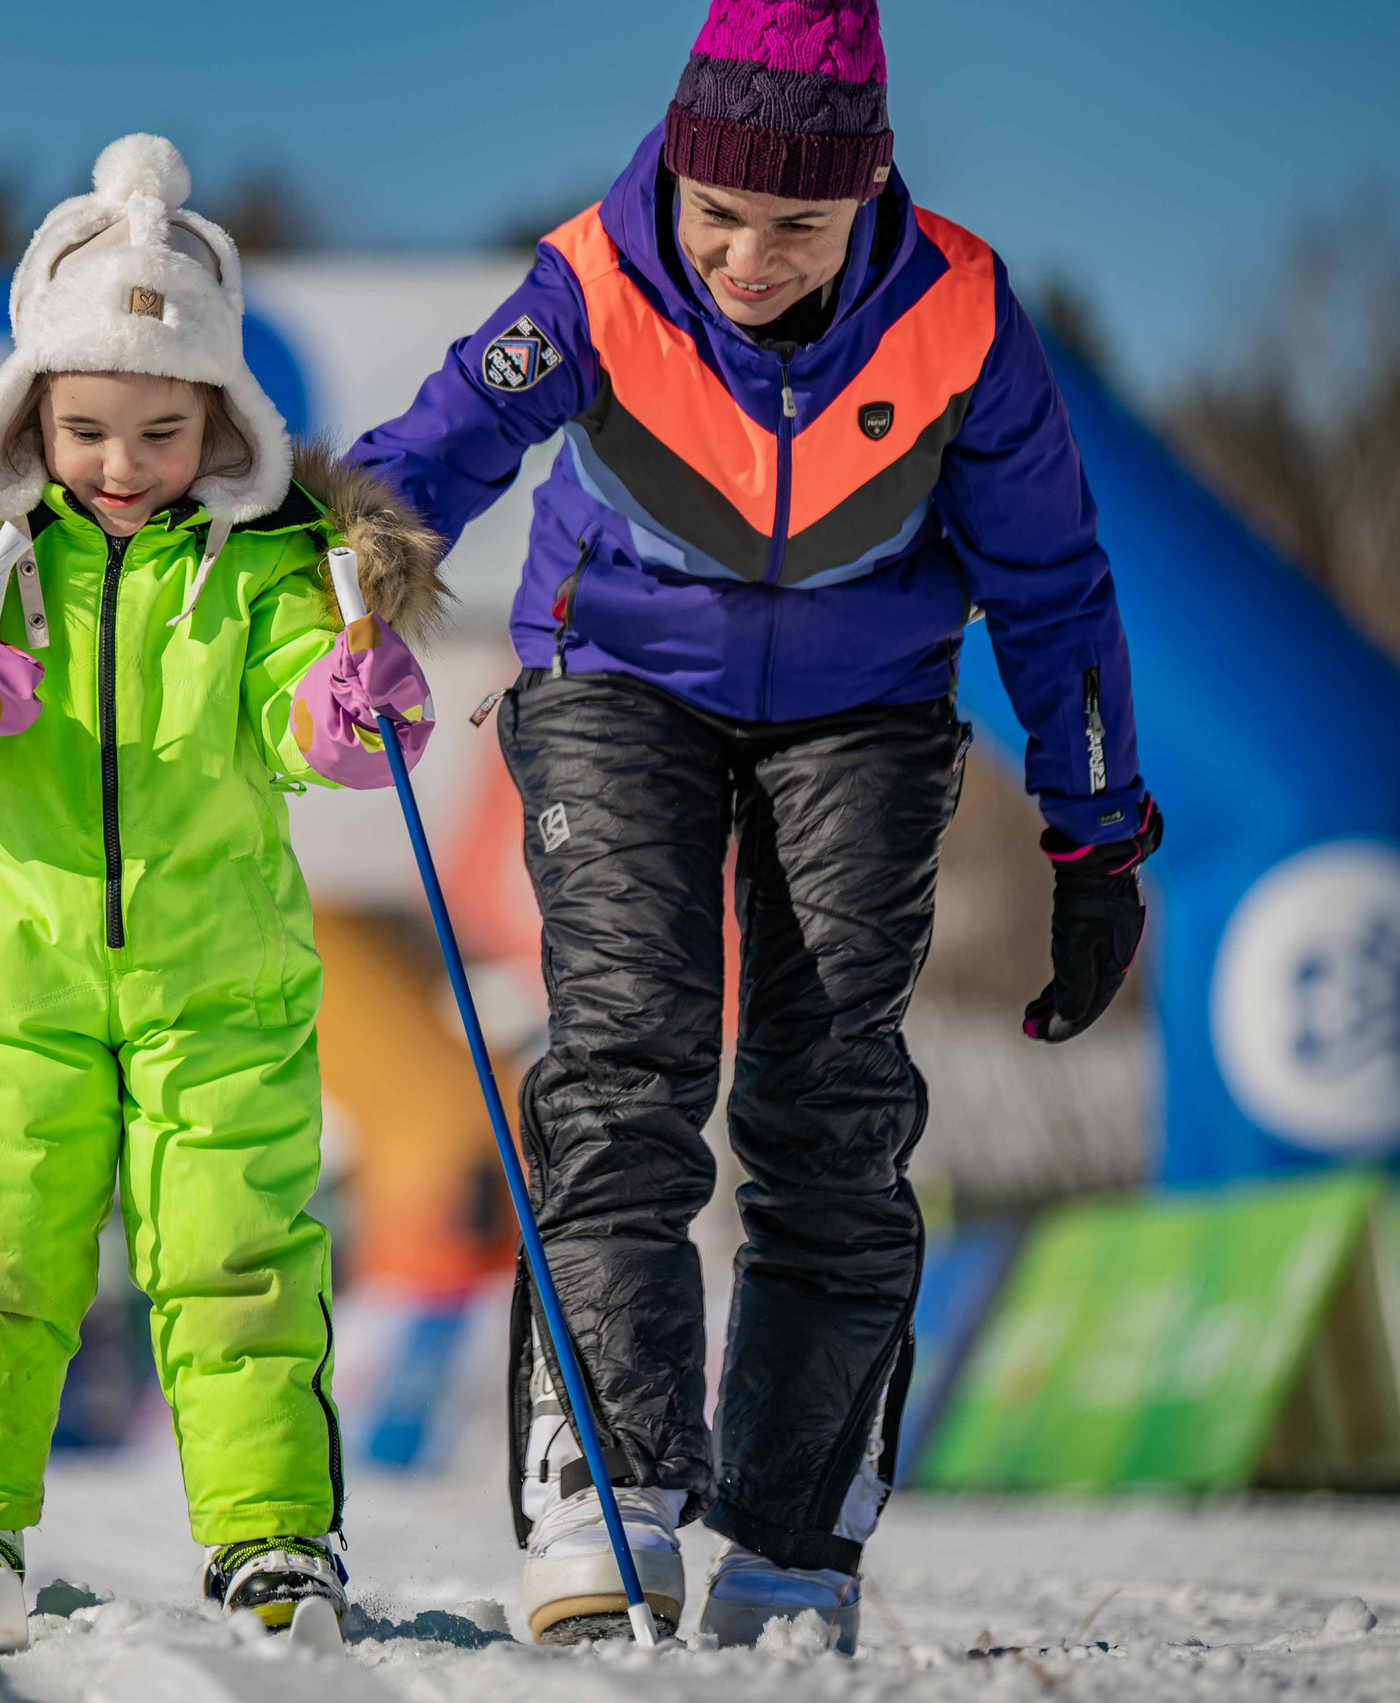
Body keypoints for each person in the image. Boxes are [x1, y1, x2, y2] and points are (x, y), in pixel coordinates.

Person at [347, 0, 1163, 1651]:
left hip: (863, 711)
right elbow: (435, 449)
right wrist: (344, 578)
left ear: (866, 194)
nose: (741, 256)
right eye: (718, 213)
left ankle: (793, 1539)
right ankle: (607, 1486)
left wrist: (1092, 841)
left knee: (832, 1103)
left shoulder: (961, 315)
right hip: (618, 678)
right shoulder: (593, 277)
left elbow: (1055, 590)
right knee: (628, 1056)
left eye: (793, 225)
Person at [0, 134, 445, 1635]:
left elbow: (317, 708)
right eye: (89, 427)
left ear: (220, 425)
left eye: (160, 433)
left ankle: (274, 1537)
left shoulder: (266, 566)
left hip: (216, 985)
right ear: (29, 415)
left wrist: (349, 710)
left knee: (239, 1256)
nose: (120, 464)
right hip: (10, 984)